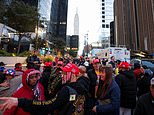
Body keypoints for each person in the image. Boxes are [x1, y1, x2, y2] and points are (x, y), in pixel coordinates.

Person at [0, 64, 90, 115]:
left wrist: (20, 102)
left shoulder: (67, 89)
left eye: (65, 73)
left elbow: (47, 105)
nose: (62, 75)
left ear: (73, 75)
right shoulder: (82, 88)